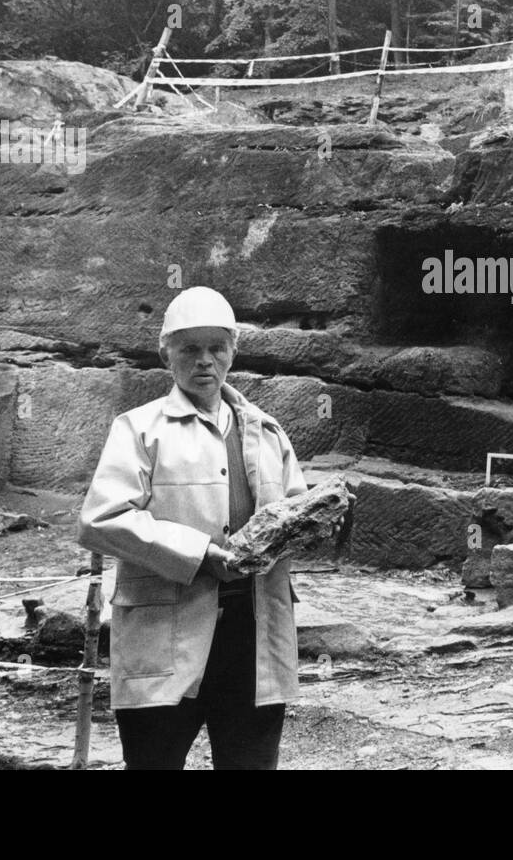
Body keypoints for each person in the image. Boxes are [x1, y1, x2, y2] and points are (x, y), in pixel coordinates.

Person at [78, 286, 307, 769]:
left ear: (232, 351)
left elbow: (294, 516)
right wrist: (200, 553)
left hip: (253, 637)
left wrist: (325, 522)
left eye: (216, 348)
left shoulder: (268, 431)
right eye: (189, 349)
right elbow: (102, 519)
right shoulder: (139, 429)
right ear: (167, 354)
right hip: (166, 630)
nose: (204, 361)